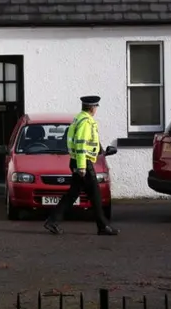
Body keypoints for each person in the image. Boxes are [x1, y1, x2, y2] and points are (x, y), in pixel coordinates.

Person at [44, 95, 120, 236]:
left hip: (77, 160)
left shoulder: (78, 118)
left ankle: (52, 221)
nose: (96, 109)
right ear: (92, 108)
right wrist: (82, 167)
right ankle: (103, 226)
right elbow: (80, 144)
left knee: (73, 193)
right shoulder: (86, 122)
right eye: (96, 107)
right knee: (95, 194)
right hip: (83, 161)